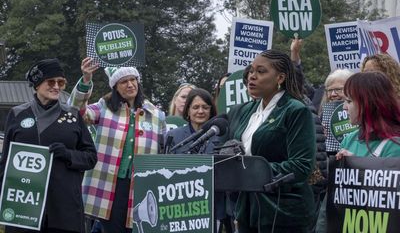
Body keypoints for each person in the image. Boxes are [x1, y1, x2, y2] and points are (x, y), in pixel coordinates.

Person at [68, 57, 166, 233]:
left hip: (142, 186)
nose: (130, 84)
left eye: (132, 79)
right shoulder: (104, 108)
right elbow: (76, 111)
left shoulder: (156, 115)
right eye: (123, 82)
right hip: (109, 186)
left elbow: (163, 151)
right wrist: (86, 80)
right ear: (115, 87)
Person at [0, 58, 97, 232]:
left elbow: (91, 157)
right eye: (51, 81)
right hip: (24, 207)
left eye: (61, 82)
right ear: (37, 85)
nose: (56, 87)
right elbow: (5, 161)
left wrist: (68, 154)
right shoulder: (17, 114)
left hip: (63, 206)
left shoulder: (72, 115)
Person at [226, 49, 316, 232]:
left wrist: (251, 169)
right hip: (248, 209)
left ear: (280, 78)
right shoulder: (245, 111)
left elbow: (301, 166)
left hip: (283, 212)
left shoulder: (296, 110)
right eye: (251, 71)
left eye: (261, 71)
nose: (252, 76)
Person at [316, 72, 400, 233]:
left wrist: (359, 168)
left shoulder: (395, 146)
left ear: (369, 103)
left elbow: (391, 201)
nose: (344, 107)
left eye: (349, 101)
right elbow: (331, 200)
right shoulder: (350, 139)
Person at [165, 88, 229, 232]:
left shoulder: (223, 136)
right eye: (195, 107)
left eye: (205, 107)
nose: (200, 111)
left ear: (211, 110)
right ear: (187, 110)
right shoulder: (173, 136)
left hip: (212, 206)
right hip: (180, 207)